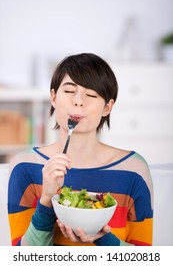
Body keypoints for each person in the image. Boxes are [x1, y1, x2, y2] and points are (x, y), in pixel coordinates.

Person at [8, 53, 153, 246]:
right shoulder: (25, 166)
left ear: (107, 108)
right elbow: (19, 258)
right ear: (53, 97)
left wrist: (101, 237)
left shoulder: (134, 170)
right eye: (69, 91)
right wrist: (47, 199)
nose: (78, 101)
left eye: (91, 95)